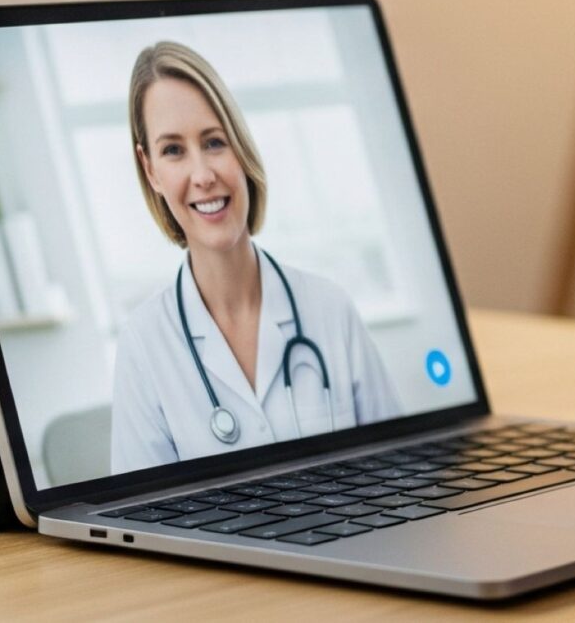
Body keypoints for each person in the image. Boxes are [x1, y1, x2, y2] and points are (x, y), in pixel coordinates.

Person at [109, 40, 400, 474]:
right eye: (173, 150)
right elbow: (141, 523)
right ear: (149, 168)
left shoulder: (329, 308)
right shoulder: (144, 346)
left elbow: (398, 472)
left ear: (240, 146)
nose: (203, 176)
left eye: (214, 142)